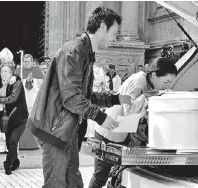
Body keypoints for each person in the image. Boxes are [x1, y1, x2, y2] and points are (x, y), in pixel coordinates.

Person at [26, 6, 131, 188]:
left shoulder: (85, 52)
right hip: (54, 128)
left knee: (73, 183)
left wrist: (114, 99)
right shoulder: (74, 51)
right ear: (103, 27)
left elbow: (85, 95)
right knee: (56, 184)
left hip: (66, 130)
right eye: (114, 32)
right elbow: (72, 97)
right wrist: (100, 117)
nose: (115, 38)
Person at [90, 57, 178, 188]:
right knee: (100, 175)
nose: (168, 86)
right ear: (153, 75)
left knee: (122, 170)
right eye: (166, 81)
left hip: (121, 132)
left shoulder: (149, 84)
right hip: (109, 133)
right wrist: (146, 97)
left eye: (171, 83)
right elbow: (128, 109)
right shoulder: (139, 81)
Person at [0, 64, 28, 175]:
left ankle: (7, 163)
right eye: (2, 71)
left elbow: (12, 98)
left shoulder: (16, 83)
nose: (3, 73)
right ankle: (16, 162)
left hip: (20, 117)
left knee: (13, 141)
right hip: (8, 118)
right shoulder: (1, 85)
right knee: (10, 144)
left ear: (11, 73)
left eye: (6, 71)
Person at [16, 54, 44, 150]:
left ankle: (33, 144)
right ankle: (23, 144)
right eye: (25, 61)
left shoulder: (37, 71)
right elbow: (15, 84)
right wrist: (25, 81)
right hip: (22, 102)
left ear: (32, 62)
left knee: (33, 123)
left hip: (33, 102)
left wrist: (32, 81)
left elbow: (42, 85)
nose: (26, 63)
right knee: (22, 123)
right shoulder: (19, 70)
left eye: (28, 61)